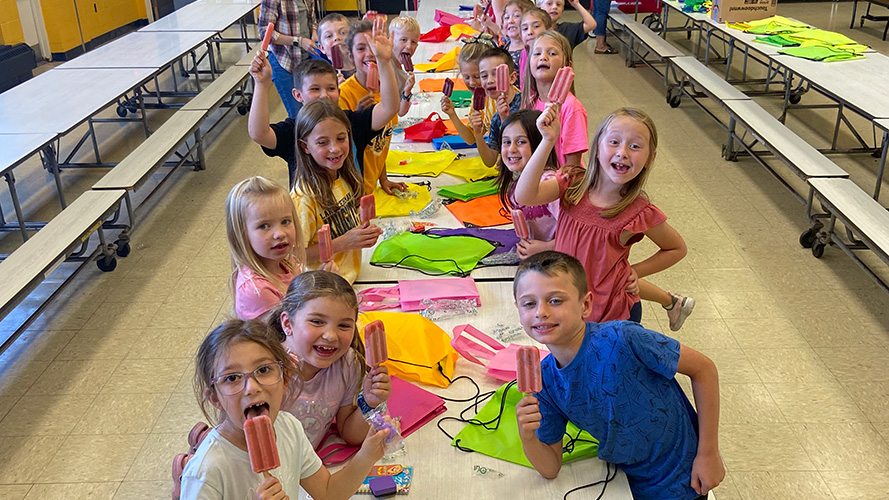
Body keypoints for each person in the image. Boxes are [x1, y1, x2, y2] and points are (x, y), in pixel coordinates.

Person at [513, 251, 724, 500]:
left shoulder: (623, 338)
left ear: (585, 305)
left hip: (682, 478)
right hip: (626, 484)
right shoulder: (545, 382)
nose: (541, 312)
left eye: (556, 300)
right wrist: (527, 437)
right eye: (529, 303)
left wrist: (708, 453)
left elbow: (704, 369)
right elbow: (550, 467)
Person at [515, 105, 696, 330]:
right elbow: (524, 195)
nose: (623, 152)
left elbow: (676, 248)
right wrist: (547, 141)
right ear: (597, 147)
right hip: (572, 306)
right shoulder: (573, 185)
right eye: (614, 142)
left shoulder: (638, 211)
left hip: (613, 316)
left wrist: (637, 271)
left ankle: (672, 303)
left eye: (635, 146)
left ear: (650, 158)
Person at [180, 319, 389, 499]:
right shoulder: (205, 473)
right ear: (215, 398)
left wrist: (367, 455)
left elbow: (327, 493)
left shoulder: (289, 427)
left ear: (286, 379)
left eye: (263, 370)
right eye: (232, 378)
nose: (252, 387)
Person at [269, 270, 391, 448]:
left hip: (311, 467)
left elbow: (350, 434)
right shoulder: (264, 370)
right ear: (288, 323)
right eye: (317, 322)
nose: (331, 336)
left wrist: (370, 402)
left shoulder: (348, 363)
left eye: (343, 325)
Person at [290, 99, 382, 284]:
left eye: (341, 138)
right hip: (324, 289)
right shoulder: (304, 197)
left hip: (350, 278)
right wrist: (343, 243)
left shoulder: (345, 177)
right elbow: (294, 255)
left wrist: (361, 235)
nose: (335, 148)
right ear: (305, 146)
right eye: (323, 142)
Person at [338, 17, 407, 196]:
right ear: (351, 56)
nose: (370, 52)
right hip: (352, 190)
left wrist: (382, 178)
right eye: (361, 48)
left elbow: (380, 142)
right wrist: (358, 118)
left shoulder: (388, 90)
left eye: (374, 45)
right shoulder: (343, 95)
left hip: (371, 186)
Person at [226, 176, 306, 321]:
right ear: (242, 235)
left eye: (285, 221)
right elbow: (283, 338)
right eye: (264, 226)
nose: (280, 234)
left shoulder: (286, 262)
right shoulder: (257, 290)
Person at [493, 110, 559, 259]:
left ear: (538, 144)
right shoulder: (517, 184)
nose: (512, 149)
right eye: (506, 142)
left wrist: (547, 248)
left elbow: (577, 234)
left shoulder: (549, 184)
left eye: (521, 142)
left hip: (559, 263)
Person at [520, 31, 588, 167]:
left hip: (559, 184)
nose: (543, 57)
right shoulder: (530, 102)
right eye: (537, 53)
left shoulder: (571, 108)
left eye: (552, 53)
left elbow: (572, 167)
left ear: (567, 65)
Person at [258, 0, 320, 118]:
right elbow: (265, 33)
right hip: (285, 61)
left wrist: (314, 32)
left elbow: (312, 20)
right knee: (297, 115)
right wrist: (299, 41)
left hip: (307, 58)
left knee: (313, 112)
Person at [440, 34, 498, 147]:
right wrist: (452, 114)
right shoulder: (478, 98)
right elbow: (471, 139)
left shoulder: (503, 98)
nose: (471, 83)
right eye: (466, 77)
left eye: (477, 76)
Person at [472, 47, 523, 167]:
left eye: (496, 74)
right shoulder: (496, 118)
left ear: (512, 78)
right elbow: (490, 161)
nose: (490, 80)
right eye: (484, 76)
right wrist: (478, 133)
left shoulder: (526, 104)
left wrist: (505, 118)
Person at [389, 16, 420, 117]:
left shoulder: (404, 76)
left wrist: (407, 91)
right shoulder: (384, 66)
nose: (409, 46)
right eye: (403, 40)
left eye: (414, 42)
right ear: (390, 40)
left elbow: (401, 112)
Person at [518, 7, 553, 90]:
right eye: (525, 28)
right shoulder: (524, 53)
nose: (530, 32)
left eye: (536, 26)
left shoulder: (553, 54)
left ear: (550, 31)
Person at [315, 13, 355, 82]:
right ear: (322, 48)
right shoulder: (324, 78)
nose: (337, 37)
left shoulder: (364, 68)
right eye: (329, 36)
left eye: (343, 33)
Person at [500, 0, 534, 70]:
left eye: (516, 16)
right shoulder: (506, 45)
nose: (510, 21)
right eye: (506, 17)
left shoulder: (531, 50)